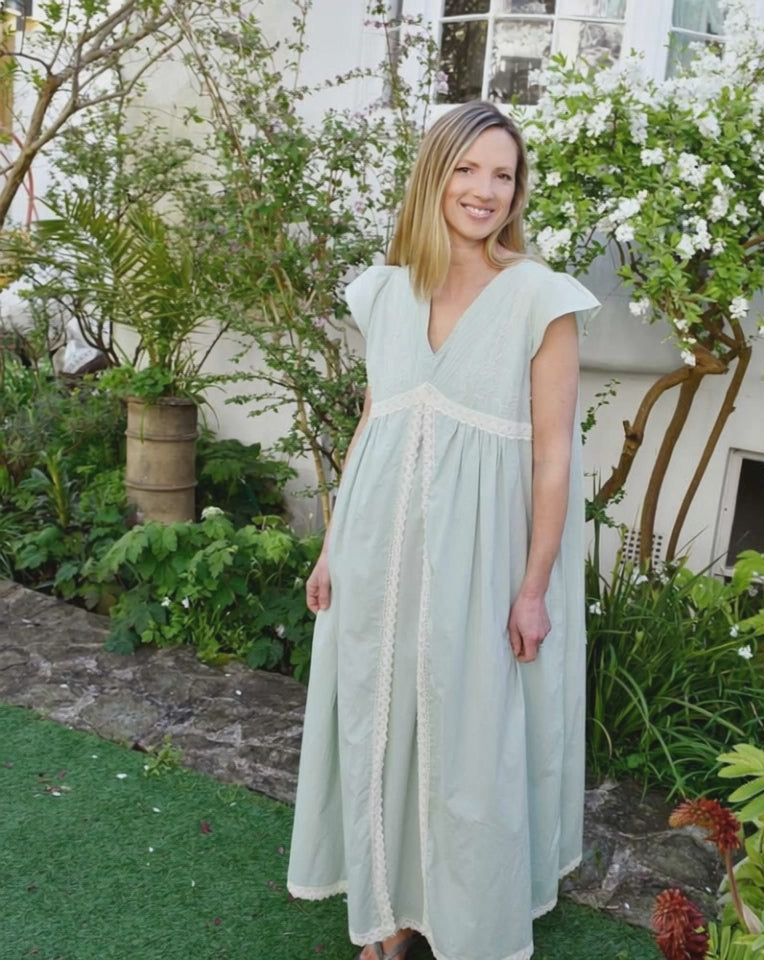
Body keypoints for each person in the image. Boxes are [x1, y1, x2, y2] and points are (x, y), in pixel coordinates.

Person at [287, 100, 599, 960]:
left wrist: (532, 588)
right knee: (379, 718)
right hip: (378, 549)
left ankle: (461, 918)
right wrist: (331, 545)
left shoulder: (540, 298)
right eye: (466, 168)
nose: (484, 190)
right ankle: (387, 914)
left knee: (470, 735)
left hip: (482, 559)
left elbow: (552, 458)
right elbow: (372, 423)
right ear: (434, 175)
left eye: (503, 174)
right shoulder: (386, 292)